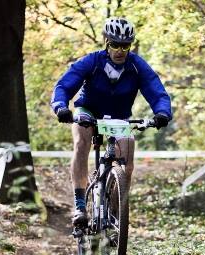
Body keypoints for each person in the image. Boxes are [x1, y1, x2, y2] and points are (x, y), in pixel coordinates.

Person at [51, 17, 172, 227]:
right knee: (81, 142)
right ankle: (80, 206)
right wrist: (61, 107)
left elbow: (157, 91)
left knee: (127, 159)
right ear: (107, 42)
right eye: (115, 44)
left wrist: (162, 113)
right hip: (88, 111)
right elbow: (64, 85)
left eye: (125, 46)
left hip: (119, 117)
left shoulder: (137, 65)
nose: (120, 50)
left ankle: (117, 212)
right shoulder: (92, 61)